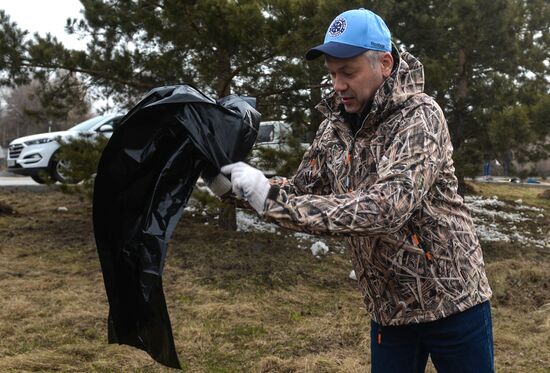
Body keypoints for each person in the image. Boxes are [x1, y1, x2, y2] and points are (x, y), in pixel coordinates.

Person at [220, 8, 494, 373]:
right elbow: (300, 188)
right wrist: (235, 187)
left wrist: (273, 204)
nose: (337, 84)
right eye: (332, 73)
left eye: (348, 72)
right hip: (389, 310)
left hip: (453, 301)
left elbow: (387, 208)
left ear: (384, 63)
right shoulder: (333, 128)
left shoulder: (420, 117)